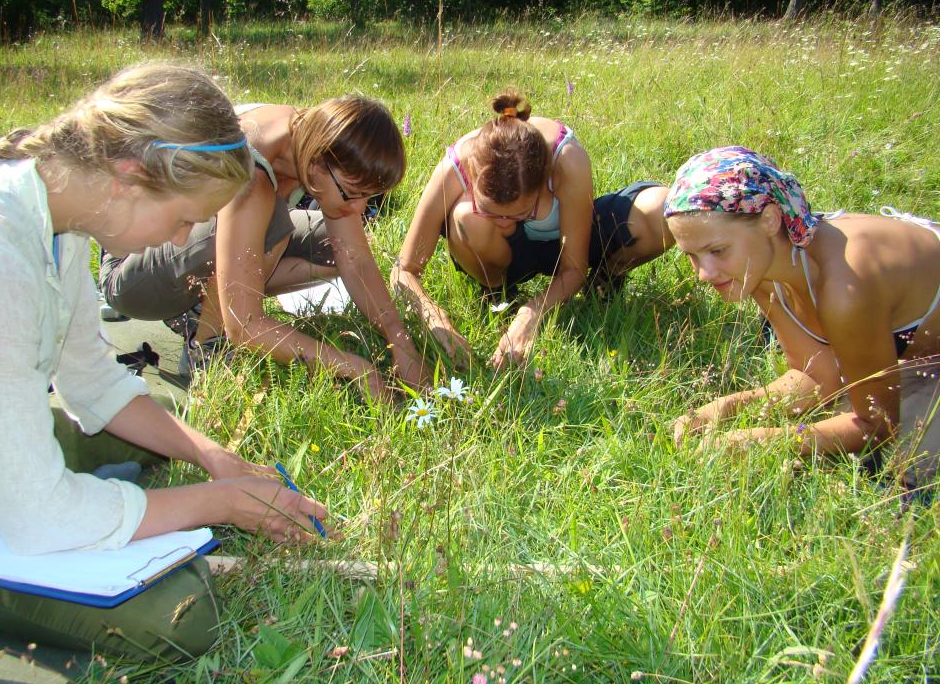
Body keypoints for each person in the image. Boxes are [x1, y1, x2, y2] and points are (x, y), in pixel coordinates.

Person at [0, 64, 328, 662]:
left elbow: (92, 382)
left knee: (164, 416)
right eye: (187, 218)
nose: (180, 236)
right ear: (130, 177)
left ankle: (109, 499)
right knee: (178, 618)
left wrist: (214, 458)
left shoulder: (64, 217)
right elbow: (35, 516)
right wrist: (221, 502)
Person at [99, 97, 429, 399]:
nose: (360, 209)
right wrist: (355, 368)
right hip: (133, 270)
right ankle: (207, 346)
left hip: (190, 243)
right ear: (316, 164)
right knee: (271, 220)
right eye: (352, 193)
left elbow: (354, 259)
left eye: (369, 197)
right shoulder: (252, 172)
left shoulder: (304, 138)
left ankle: (213, 300)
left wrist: (400, 341)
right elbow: (245, 326)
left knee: (330, 241)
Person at [665, 146, 940, 481]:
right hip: (919, 360)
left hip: (923, 364)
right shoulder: (760, 269)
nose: (704, 274)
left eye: (717, 251)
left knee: (898, 468)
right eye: (692, 256)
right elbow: (817, 377)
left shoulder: (844, 287)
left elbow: (878, 425)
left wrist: (767, 440)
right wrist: (728, 407)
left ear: (769, 219)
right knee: (837, 416)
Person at [391, 89, 674, 368]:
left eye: (523, 212)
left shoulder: (567, 160)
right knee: (466, 217)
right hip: (506, 256)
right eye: (490, 211)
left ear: (545, 180)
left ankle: (603, 280)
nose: (505, 223)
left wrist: (532, 313)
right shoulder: (456, 166)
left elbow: (572, 268)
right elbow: (403, 269)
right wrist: (433, 316)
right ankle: (497, 291)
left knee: (661, 211)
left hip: (569, 241)